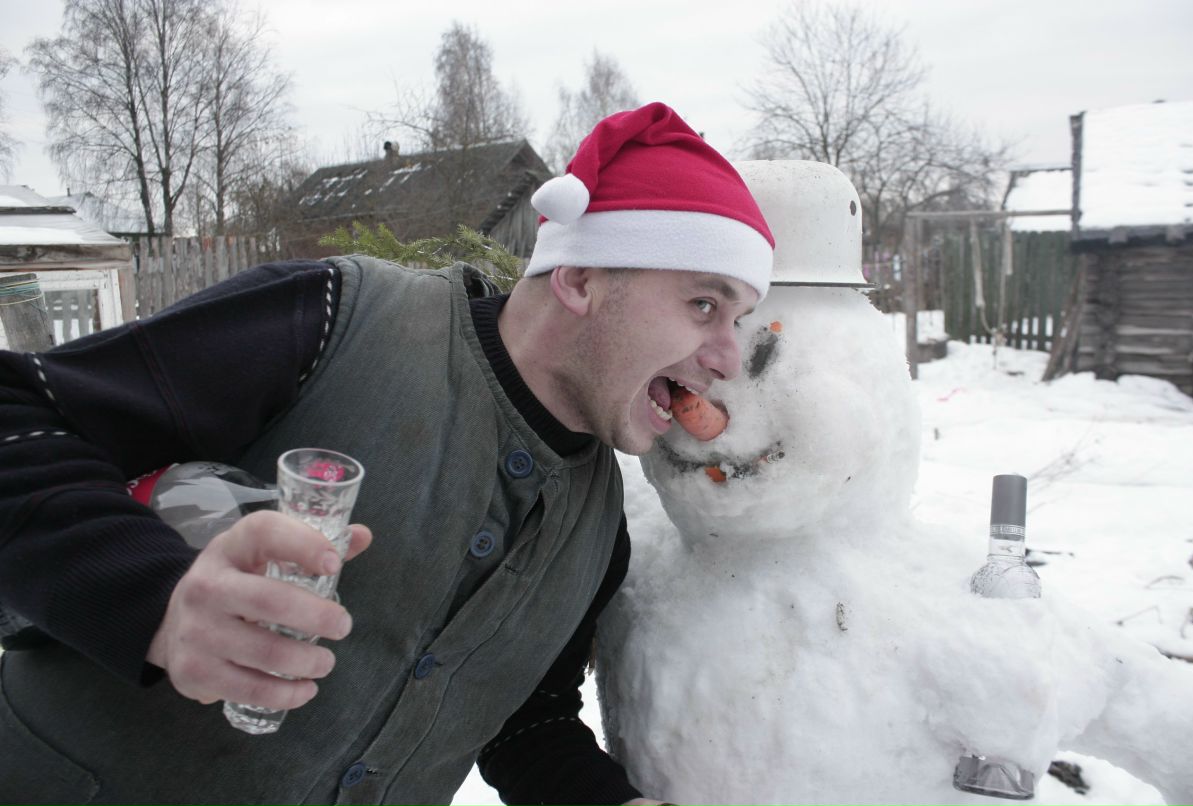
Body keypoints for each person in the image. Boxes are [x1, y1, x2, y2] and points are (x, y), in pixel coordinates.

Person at [0, 102, 773, 805]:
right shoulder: (336, 320)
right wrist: (156, 602)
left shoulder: (601, 533)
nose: (728, 357)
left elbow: (520, 721)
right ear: (577, 277)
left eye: (738, 320)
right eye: (704, 303)